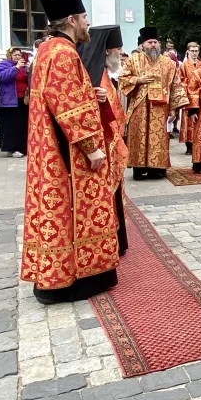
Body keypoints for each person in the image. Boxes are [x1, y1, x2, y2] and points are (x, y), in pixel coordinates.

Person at [22, 0, 118, 304]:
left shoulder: (48, 50)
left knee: (60, 212)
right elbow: (66, 105)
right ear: (73, 20)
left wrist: (90, 94)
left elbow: (60, 96)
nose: (88, 23)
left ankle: (58, 275)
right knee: (74, 210)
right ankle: (74, 280)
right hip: (69, 150)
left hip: (51, 145)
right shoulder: (64, 52)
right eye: (85, 17)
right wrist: (92, 147)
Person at [78, 25, 130, 254]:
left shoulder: (107, 72)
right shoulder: (97, 74)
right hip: (103, 143)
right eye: (117, 49)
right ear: (107, 51)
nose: (120, 53)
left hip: (111, 140)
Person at [119, 26, 188, 179]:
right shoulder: (134, 60)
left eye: (155, 42)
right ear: (143, 45)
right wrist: (138, 80)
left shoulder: (168, 63)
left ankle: (157, 169)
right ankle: (139, 169)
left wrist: (173, 109)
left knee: (158, 138)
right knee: (139, 137)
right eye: (150, 42)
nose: (153, 45)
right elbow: (122, 79)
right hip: (139, 107)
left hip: (161, 108)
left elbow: (176, 85)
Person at [0, 48, 29, 157]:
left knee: (22, 125)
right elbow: (2, 77)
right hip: (9, 100)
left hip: (23, 100)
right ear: (10, 55)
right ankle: (11, 148)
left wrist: (28, 71)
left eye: (19, 55)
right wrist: (16, 68)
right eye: (15, 55)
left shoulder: (23, 66)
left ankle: (22, 148)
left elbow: (27, 80)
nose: (18, 57)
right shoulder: (3, 65)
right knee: (11, 125)